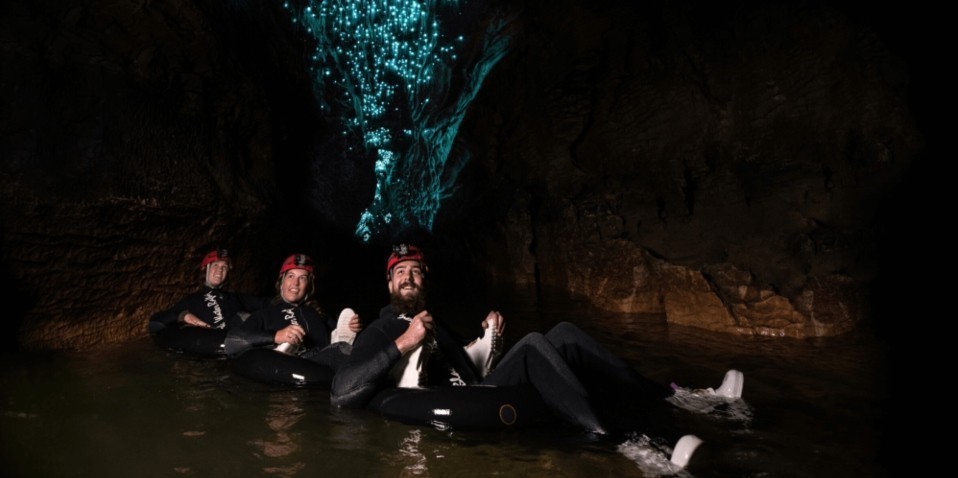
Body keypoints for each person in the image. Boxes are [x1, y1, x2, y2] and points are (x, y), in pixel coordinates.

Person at [330, 244, 744, 468]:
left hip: (479, 394)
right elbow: (341, 391)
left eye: (415, 271)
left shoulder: (440, 326)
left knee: (562, 333)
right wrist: (403, 341)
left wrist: (489, 338)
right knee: (533, 345)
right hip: (452, 408)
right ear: (388, 283)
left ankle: (679, 396)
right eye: (400, 271)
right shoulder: (383, 327)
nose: (408, 276)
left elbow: (474, 370)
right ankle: (633, 447)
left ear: (425, 280)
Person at [224, 253, 363, 369]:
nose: (295, 283)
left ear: (309, 286)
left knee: (344, 347)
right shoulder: (265, 314)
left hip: (321, 365)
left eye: (302, 278)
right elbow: (232, 342)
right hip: (287, 367)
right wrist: (276, 336)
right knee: (337, 355)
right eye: (291, 276)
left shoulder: (319, 314)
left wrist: (353, 327)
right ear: (282, 282)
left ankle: (338, 343)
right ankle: (284, 352)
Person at [149, 247, 266, 334]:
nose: (220, 270)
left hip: (243, 346)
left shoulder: (235, 297)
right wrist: (184, 315)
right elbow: (155, 321)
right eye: (215, 265)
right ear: (206, 269)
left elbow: (265, 303)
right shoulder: (192, 300)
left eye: (224, 267)